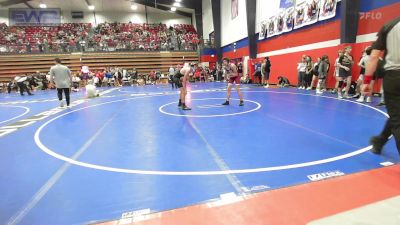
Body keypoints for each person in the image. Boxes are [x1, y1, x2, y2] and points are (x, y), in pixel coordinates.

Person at [362, 17, 400, 155]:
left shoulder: (389, 25)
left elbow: (374, 56)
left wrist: (367, 82)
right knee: (396, 115)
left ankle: (379, 141)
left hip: (394, 77)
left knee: (397, 119)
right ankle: (380, 141)